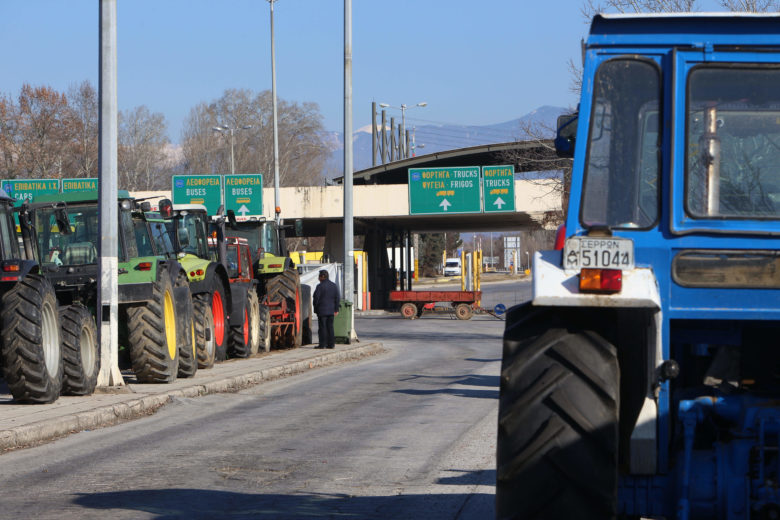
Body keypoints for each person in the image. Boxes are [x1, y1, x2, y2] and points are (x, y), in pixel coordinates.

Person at [313, 269, 340, 349]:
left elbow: (316, 299)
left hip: (322, 311)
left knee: (322, 328)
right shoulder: (334, 285)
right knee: (330, 327)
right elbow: (337, 298)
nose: (318, 278)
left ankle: (322, 344)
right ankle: (331, 344)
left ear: (322, 277)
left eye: (319, 276)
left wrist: (315, 309)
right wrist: (336, 309)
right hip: (331, 311)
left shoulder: (320, 286)